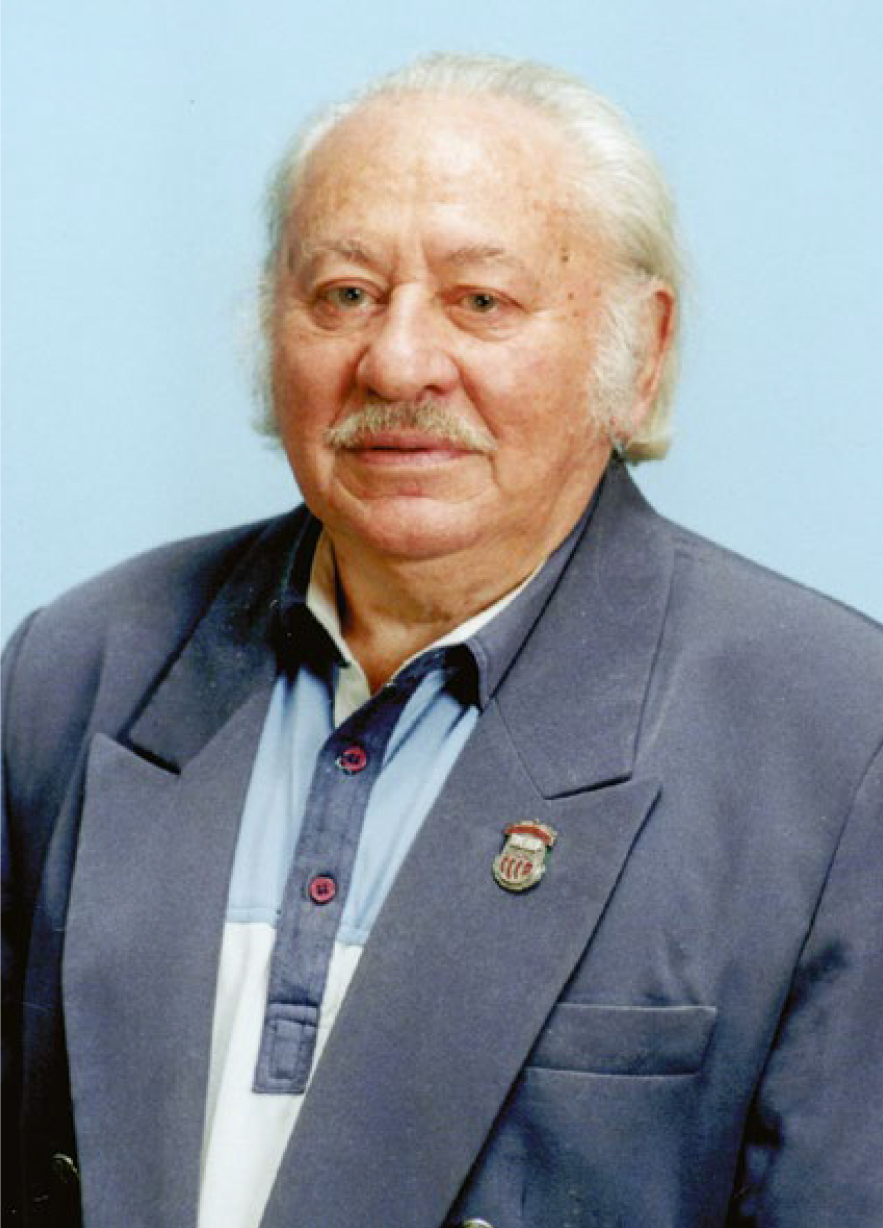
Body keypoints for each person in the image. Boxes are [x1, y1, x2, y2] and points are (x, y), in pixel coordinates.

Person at [3, 52, 882, 1228]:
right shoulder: (76, 669)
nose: (398, 361)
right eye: (344, 295)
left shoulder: (835, 742)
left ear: (641, 352)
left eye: (480, 301)